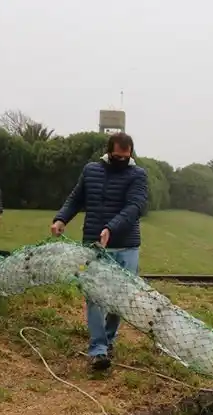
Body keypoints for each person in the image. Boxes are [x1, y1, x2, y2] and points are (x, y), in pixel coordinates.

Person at [51, 132, 148, 372]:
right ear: (108, 152)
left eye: (126, 157)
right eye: (117, 156)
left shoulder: (138, 175)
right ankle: (98, 350)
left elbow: (135, 207)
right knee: (94, 297)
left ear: (131, 155)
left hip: (126, 246)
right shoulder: (91, 170)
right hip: (93, 245)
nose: (121, 161)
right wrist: (62, 218)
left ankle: (109, 338)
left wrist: (111, 229)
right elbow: (76, 198)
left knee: (119, 299)